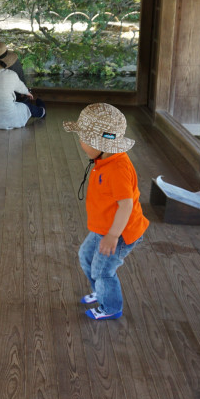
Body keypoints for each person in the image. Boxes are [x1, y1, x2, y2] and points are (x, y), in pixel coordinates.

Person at [63, 103, 150, 321]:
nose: (81, 143)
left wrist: (112, 236)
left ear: (100, 143)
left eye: (84, 139)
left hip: (120, 233)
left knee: (102, 271)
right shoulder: (104, 159)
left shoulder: (118, 168)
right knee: (86, 257)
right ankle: (101, 292)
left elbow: (126, 205)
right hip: (105, 227)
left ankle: (111, 307)